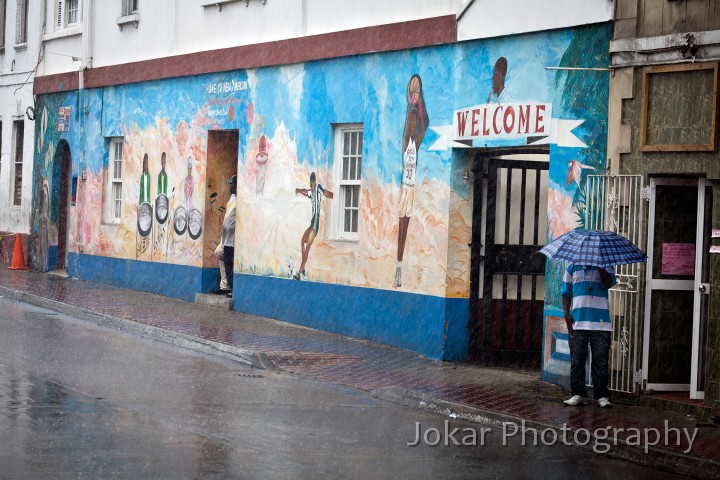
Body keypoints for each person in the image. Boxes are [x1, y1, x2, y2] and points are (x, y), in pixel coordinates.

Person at [561, 264, 617, 408]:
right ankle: (577, 394)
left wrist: (599, 268)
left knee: (601, 360)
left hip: (601, 323)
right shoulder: (572, 267)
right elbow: (566, 293)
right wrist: (566, 314)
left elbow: (608, 283)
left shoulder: (607, 266)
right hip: (578, 322)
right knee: (577, 359)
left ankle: (602, 395)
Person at [393, 74, 429, 288]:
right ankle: (398, 265)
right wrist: (412, 103)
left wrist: (419, 101)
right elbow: (410, 120)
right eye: (411, 121)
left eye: (414, 122)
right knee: (401, 224)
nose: (412, 124)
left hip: (412, 189)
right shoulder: (406, 142)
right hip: (404, 189)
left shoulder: (416, 142)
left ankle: (400, 265)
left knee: (406, 227)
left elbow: (424, 126)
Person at [294, 172, 332, 280]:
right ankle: (304, 267)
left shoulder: (318, 188)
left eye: (312, 184)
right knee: (302, 241)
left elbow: (326, 193)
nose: (311, 186)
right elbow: (305, 192)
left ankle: (299, 272)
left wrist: (335, 196)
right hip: (311, 223)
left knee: (307, 248)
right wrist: (298, 190)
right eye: (310, 185)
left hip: (315, 224)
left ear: (314, 182)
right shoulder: (311, 191)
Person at [221, 175, 237, 298]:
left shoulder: (239, 199)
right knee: (222, 257)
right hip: (225, 239)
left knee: (229, 263)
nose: (229, 186)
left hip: (232, 240)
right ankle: (225, 284)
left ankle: (229, 286)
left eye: (231, 184)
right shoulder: (232, 197)